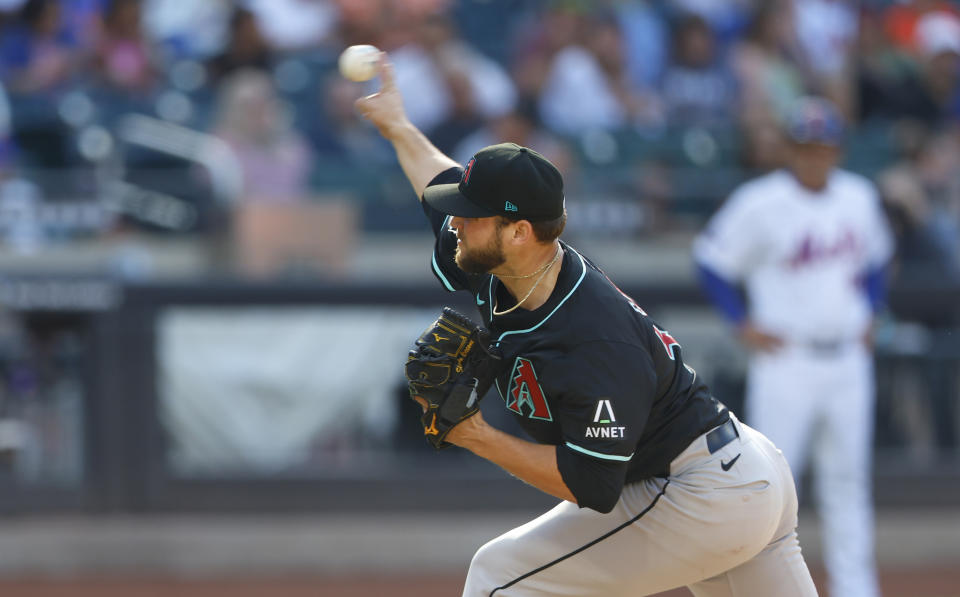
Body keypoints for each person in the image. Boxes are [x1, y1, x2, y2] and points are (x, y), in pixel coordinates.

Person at [356, 53, 817, 597]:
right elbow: (442, 181)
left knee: (497, 577)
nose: (455, 221)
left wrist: (474, 435)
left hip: (702, 490)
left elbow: (592, 485)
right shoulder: (502, 261)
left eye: (470, 214)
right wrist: (399, 127)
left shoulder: (592, 336)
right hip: (733, 472)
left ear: (520, 231)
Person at [694, 97, 893, 597]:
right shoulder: (760, 201)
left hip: (848, 358)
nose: (813, 155)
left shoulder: (858, 196)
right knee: (772, 488)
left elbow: (877, 262)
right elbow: (711, 261)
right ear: (789, 148)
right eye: (805, 145)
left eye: (822, 146)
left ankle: (856, 588)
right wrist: (742, 324)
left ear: (837, 149)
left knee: (848, 481)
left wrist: (871, 310)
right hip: (786, 361)